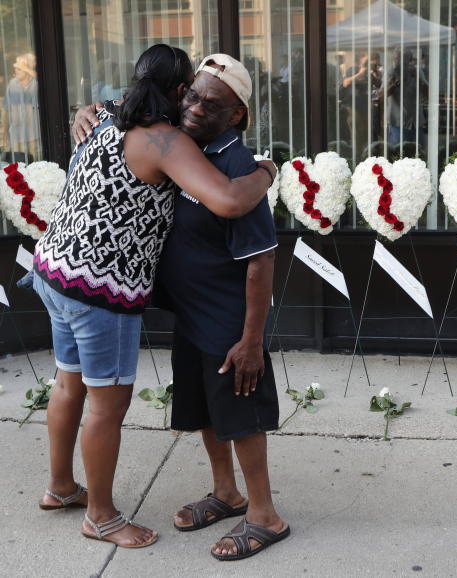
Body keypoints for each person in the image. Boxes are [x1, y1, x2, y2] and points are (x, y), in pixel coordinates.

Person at [32, 44, 276, 550]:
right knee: (105, 407)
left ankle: (62, 488)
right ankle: (100, 515)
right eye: (191, 92)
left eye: (211, 102)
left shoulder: (110, 118)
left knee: (69, 385)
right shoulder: (162, 138)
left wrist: (252, 336)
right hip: (101, 291)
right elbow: (230, 199)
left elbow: (255, 248)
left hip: (57, 272)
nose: (195, 106)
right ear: (177, 89)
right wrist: (269, 171)